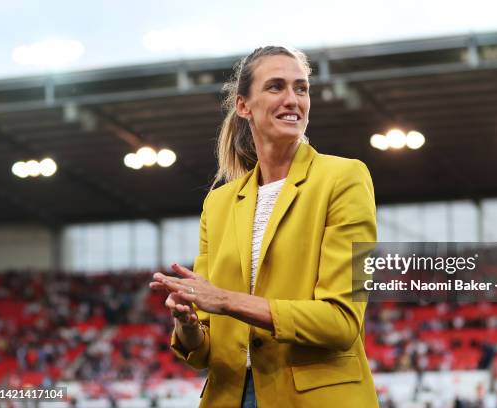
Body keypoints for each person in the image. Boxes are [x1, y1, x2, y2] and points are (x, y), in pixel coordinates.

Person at [150, 46, 378, 407]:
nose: (293, 100)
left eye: (301, 88)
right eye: (276, 87)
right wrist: (190, 325)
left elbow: (343, 322)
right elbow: (206, 350)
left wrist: (226, 300)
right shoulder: (218, 204)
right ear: (244, 106)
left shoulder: (347, 178)